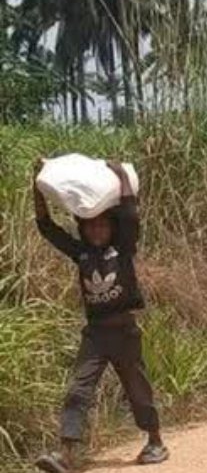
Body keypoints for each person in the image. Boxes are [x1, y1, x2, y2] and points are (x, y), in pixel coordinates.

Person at [32, 160, 168, 473]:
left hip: (124, 332)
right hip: (94, 335)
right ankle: (65, 455)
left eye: (103, 225)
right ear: (82, 228)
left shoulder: (123, 248)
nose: (97, 229)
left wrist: (120, 174)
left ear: (112, 228)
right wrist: (36, 184)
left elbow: (130, 214)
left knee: (137, 388)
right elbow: (45, 226)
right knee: (78, 390)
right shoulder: (80, 253)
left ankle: (155, 440)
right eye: (91, 225)